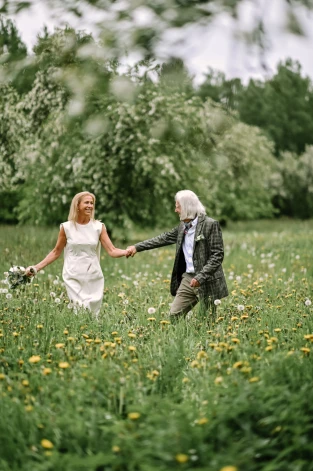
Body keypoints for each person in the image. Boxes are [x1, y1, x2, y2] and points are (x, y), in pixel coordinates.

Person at [126, 190, 228, 320]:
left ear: (186, 207)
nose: (176, 210)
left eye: (177, 206)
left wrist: (201, 277)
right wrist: (137, 247)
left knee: (208, 321)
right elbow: (163, 238)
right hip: (188, 279)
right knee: (174, 316)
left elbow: (217, 255)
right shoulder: (182, 226)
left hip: (207, 280)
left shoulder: (210, 225)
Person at [26, 191, 128, 315]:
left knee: (92, 314)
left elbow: (112, 251)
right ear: (77, 206)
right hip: (73, 275)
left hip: (93, 276)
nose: (90, 205)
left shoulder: (99, 227)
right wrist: (36, 268)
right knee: (80, 310)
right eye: (86, 202)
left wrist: (126, 251)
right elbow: (55, 252)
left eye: (92, 203)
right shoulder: (66, 227)